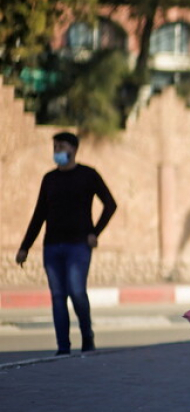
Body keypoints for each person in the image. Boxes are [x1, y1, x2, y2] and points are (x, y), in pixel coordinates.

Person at [16, 131, 117, 356]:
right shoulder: (49, 179)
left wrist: (95, 233)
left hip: (78, 246)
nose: (57, 151)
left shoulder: (88, 175)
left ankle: (87, 336)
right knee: (58, 296)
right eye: (55, 147)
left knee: (76, 291)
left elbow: (110, 205)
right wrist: (25, 247)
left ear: (73, 149)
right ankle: (63, 347)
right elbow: (39, 214)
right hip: (52, 246)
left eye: (61, 147)